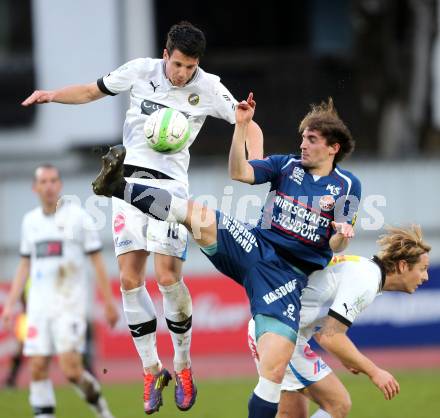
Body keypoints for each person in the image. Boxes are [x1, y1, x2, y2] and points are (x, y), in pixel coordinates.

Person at [21, 21, 263, 414]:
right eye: (178, 64)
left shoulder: (209, 87)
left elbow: (247, 124)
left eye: (191, 67)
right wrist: (51, 95)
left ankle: (183, 365)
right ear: (166, 55)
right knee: (131, 281)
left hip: (171, 190)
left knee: (168, 277)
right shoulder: (140, 71)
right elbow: (89, 90)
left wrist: (256, 165)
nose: (183, 74)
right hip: (125, 183)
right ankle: (152, 369)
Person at [90, 91, 361, 418]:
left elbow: (338, 244)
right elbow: (240, 173)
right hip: (255, 246)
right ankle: (118, 187)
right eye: (303, 137)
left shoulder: (348, 186)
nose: (302, 144)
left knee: (272, 373)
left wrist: (341, 236)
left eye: (312, 139)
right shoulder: (286, 166)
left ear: (333, 148)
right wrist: (240, 127)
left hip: (287, 278)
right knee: (196, 214)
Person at [248, 225, 430, 418]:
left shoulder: (364, 270)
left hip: (275, 328)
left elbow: (321, 328)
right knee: (338, 404)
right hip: (281, 333)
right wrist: (375, 372)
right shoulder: (366, 281)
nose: (426, 277)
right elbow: (331, 336)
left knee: (291, 414)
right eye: (423, 269)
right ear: (402, 266)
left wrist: (347, 357)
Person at [1, 164, 119, 418]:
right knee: (37, 367)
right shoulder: (30, 222)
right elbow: (24, 264)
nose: (49, 186)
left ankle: (101, 409)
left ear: (60, 185)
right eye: (43, 182)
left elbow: (97, 261)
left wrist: (108, 301)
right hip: (38, 308)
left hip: (70, 306)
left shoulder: (78, 218)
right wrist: (10, 305)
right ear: (35, 188)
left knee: (72, 370)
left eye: (53, 180)